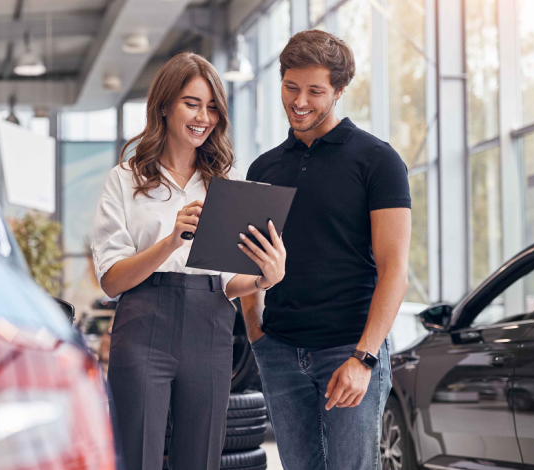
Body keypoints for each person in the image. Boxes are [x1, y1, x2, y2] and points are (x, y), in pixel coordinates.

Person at [92, 52, 287, 470]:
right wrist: (170, 241)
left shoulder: (228, 183)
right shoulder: (125, 180)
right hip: (143, 323)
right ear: (164, 106)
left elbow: (228, 280)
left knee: (200, 459)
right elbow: (111, 281)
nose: (204, 116)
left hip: (211, 325)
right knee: (137, 455)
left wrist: (263, 279)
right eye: (192, 103)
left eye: (212, 106)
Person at [241, 30, 412, 469]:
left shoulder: (377, 160)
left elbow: (395, 269)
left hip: (348, 350)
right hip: (279, 351)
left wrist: (364, 357)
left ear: (338, 91)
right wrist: (257, 333)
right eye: (290, 87)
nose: (300, 101)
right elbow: (250, 259)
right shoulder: (264, 167)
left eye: (315, 91)